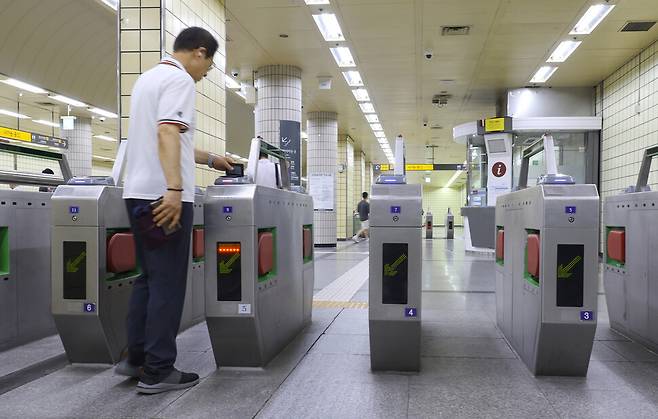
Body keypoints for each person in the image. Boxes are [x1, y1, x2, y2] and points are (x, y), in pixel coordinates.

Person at [117, 27, 234, 395]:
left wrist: (211, 158)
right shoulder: (179, 79)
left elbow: (167, 136)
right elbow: (168, 131)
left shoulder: (147, 79)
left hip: (137, 193)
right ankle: (159, 370)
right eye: (209, 66)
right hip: (162, 197)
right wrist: (174, 189)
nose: (205, 74)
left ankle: (136, 359)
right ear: (199, 53)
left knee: (148, 279)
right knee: (168, 283)